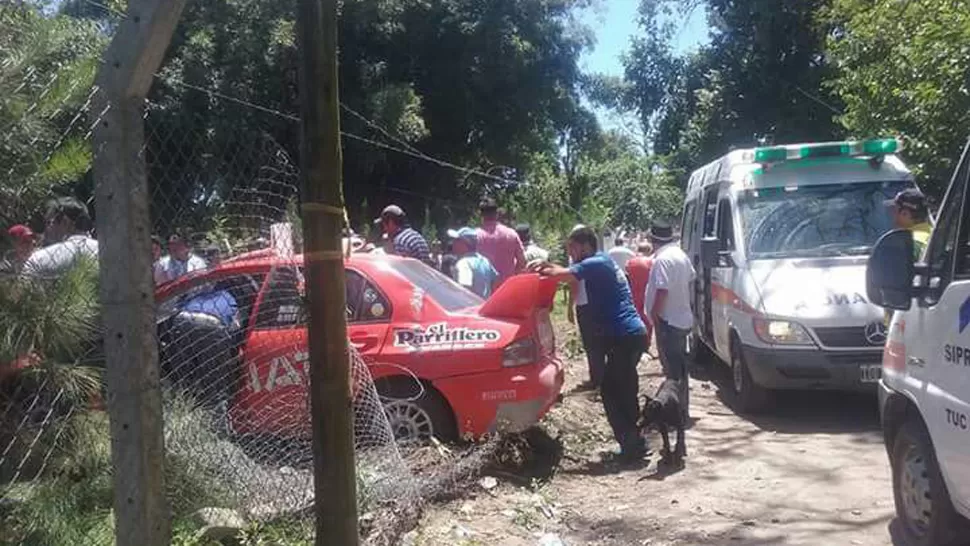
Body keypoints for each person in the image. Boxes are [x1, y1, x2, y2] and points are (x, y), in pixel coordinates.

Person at [530, 225, 648, 462]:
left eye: (573, 248)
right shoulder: (602, 261)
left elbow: (561, 274)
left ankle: (630, 445)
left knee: (611, 391)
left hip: (623, 336)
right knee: (625, 389)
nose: (571, 254)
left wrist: (539, 267)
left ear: (586, 245)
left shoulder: (595, 263)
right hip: (631, 335)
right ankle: (636, 440)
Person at [644, 220, 695, 421]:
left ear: (653, 240)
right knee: (680, 370)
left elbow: (663, 290)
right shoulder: (680, 255)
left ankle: (677, 414)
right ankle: (682, 410)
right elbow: (691, 278)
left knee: (672, 373)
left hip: (669, 322)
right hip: (681, 318)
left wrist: (655, 315)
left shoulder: (662, 259)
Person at [22, 197, 99, 277]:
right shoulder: (105, 250)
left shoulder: (38, 259)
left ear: (65, 222)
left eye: (49, 222)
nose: (46, 229)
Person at [476, 198, 526, 286]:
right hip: (506, 287)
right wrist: (513, 276)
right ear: (497, 213)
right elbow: (522, 261)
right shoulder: (511, 234)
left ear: (481, 215)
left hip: (483, 288)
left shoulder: (475, 236)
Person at [447, 227, 498, 298]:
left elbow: (464, 290)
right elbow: (495, 282)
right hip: (483, 306)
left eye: (457, 240)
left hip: (469, 307)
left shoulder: (463, 264)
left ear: (465, 243)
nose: (453, 243)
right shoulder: (485, 260)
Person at [886, 188, 932, 260]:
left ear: (905, 213)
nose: (893, 214)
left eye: (895, 209)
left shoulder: (909, 243)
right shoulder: (935, 233)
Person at [626, 241, 654, 343]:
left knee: (635, 317)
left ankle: (636, 341)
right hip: (647, 293)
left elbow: (628, 275)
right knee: (648, 319)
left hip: (633, 293)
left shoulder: (630, 262)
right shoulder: (651, 262)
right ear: (649, 251)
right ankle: (647, 342)